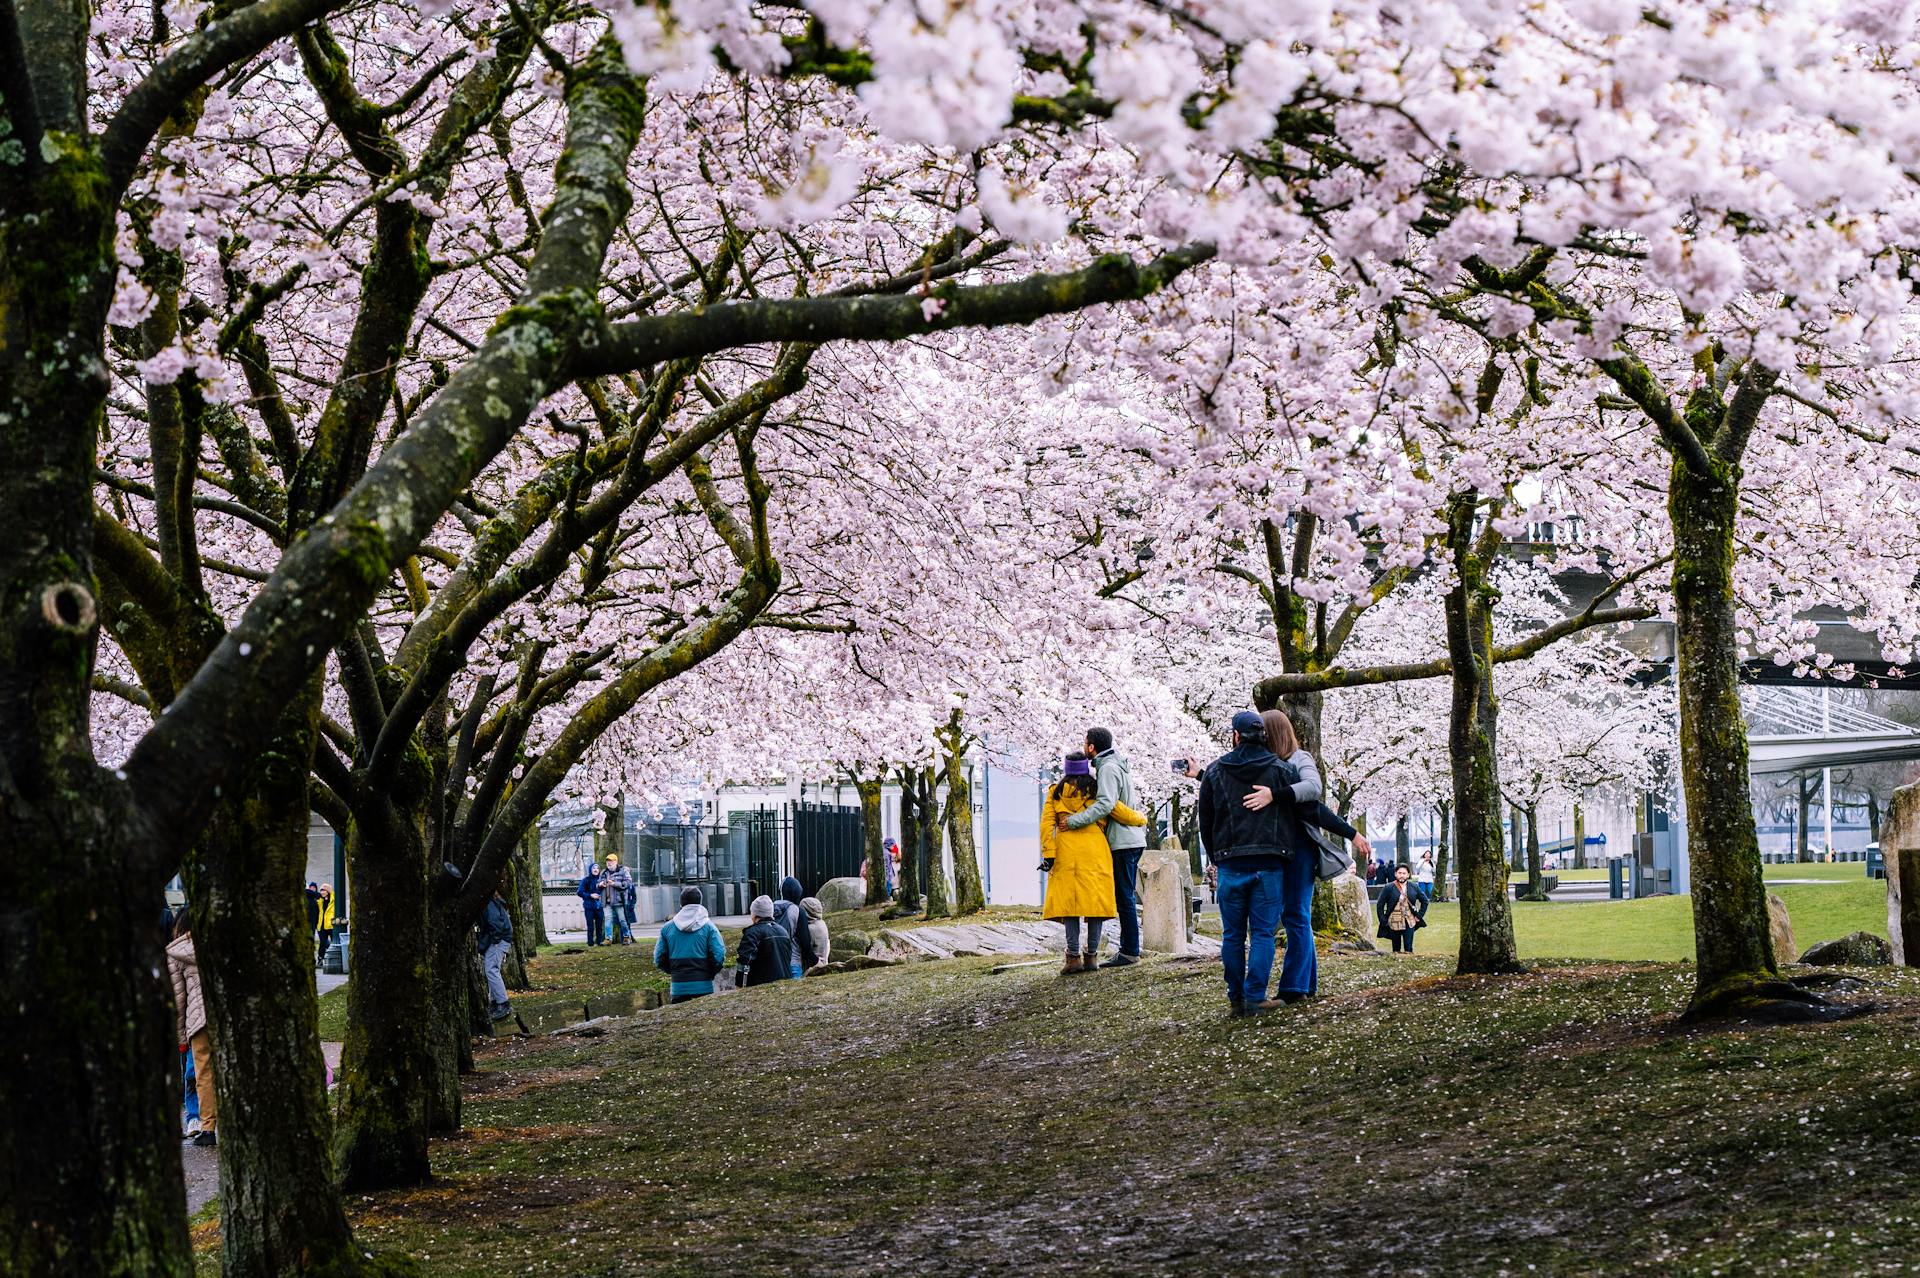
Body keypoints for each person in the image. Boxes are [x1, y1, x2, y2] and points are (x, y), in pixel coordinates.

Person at [1041, 752, 1149, 973]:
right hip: (1095, 851)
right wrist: (1141, 818)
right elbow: (1118, 811)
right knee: (1094, 904)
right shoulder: (1097, 789)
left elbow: (1046, 825)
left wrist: (1049, 853)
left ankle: (1072, 958)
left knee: (1069, 906)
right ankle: (1091, 957)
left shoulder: (1056, 792)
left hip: (1066, 852)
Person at [166, 916, 217, 1147]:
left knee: (203, 1073)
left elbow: (179, 1000)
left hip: (198, 1021)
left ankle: (207, 1127)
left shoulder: (176, 954)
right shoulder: (221, 943)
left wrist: (180, 1037)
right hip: (226, 1013)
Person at [654, 886, 726, 1002]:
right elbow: (718, 955)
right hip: (704, 986)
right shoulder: (709, 927)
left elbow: (659, 958)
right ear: (700, 902)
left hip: (678, 987)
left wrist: (674, 971)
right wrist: (709, 973)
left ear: (681, 903)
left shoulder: (667, 928)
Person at [735, 895, 794, 987]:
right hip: (785, 981)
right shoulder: (783, 931)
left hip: (761, 983)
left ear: (754, 914)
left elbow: (745, 961)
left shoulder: (752, 933)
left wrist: (740, 984)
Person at [478, 890, 515, 1022]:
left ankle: (502, 1003)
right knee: (492, 970)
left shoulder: (488, 902)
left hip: (498, 940)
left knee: (491, 970)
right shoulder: (493, 901)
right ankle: (495, 1003)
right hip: (500, 939)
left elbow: (494, 922)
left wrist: (495, 940)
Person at [1376, 864, 1427, 953]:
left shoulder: (1414, 887)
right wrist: (1383, 920)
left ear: (1408, 875)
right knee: (1396, 948)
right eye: (1399, 873)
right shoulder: (1389, 887)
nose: (1402, 875)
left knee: (1408, 948)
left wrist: (1419, 916)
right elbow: (1380, 905)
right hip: (1394, 921)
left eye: (1404, 873)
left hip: (1409, 921)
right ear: (1395, 874)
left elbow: (1425, 901)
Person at [775, 876, 818, 977]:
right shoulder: (798, 911)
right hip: (792, 963)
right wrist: (815, 960)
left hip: (774, 963)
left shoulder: (771, 907)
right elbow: (805, 942)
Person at [600, 854, 635, 944]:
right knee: (608, 920)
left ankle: (626, 937)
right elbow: (597, 883)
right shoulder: (604, 872)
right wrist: (599, 885)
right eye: (608, 862)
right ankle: (608, 939)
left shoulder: (623, 871)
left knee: (622, 920)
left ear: (616, 862)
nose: (609, 863)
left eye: (611, 861)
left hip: (619, 901)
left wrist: (615, 884)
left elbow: (628, 883)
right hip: (606, 901)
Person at [576, 862, 606, 946]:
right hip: (589, 906)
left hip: (599, 906)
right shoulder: (586, 880)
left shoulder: (602, 880)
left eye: (597, 868)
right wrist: (590, 895)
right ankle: (590, 942)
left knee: (599, 926)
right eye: (594, 868)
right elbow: (579, 892)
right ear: (590, 870)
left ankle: (599, 941)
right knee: (590, 926)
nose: (596, 869)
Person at [801, 897, 830, 969]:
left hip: (813, 967)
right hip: (823, 963)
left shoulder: (811, 929)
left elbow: (805, 949)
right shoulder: (822, 923)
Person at [315, 884, 336, 965]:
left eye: (324, 890)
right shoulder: (320, 900)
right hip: (322, 925)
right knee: (322, 943)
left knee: (334, 942)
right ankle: (320, 959)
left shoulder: (333, 900)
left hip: (331, 925)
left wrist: (331, 892)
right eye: (321, 890)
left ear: (328, 891)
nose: (322, 892)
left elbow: (334, 895)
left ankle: (333, 959)